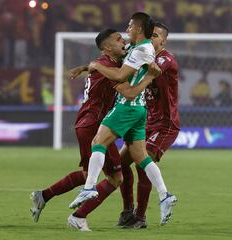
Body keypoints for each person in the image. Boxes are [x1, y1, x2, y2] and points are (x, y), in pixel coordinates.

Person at [30, 29, 159, 231]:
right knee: (115, 178)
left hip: (89, 122)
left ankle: (43, 195)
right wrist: (149, 77)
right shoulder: (110, 68)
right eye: (118, 39)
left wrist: (85, 67)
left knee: (88, 173)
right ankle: (78, 217)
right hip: (94, 124)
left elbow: (101, 65)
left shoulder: (109, 63)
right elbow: (129, 92)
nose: (124, 40)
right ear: (107, 47)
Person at [69, 12, 177, 226]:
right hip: (141, 111)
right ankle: (165, 195)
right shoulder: (140, 49)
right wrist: (86, 67)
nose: (126, 30)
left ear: (138, 29)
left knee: (98, 143)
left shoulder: (142, 51)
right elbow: (128, 61)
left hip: (127, 107)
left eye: (129, 26)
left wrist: (99, 67)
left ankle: (89, 187)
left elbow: (120, 77)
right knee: (142, 159)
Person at [117, 22, 180, 229]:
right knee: (119, 163)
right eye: (149, 35)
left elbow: (151, 69)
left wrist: (130, 54)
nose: (151, 39)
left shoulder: (166, 59)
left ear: (164, 40)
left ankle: (140, 217)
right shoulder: (142, 53)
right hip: (146, 121)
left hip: (165, 125)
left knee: (142, 164)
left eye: (155, 36)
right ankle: (128, 210)